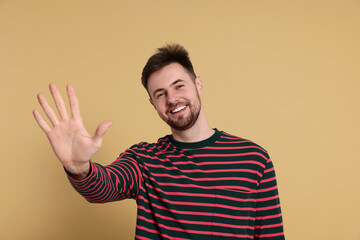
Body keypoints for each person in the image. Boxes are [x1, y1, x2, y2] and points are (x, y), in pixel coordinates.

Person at [33, 44, 285, 239]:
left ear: (198, 84)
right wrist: (79, 168)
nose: (172, 99)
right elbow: (103, 187)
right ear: (153, 104)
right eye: (160, 94)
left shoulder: (253, 158)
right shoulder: (144, 159)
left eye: (179, 86)